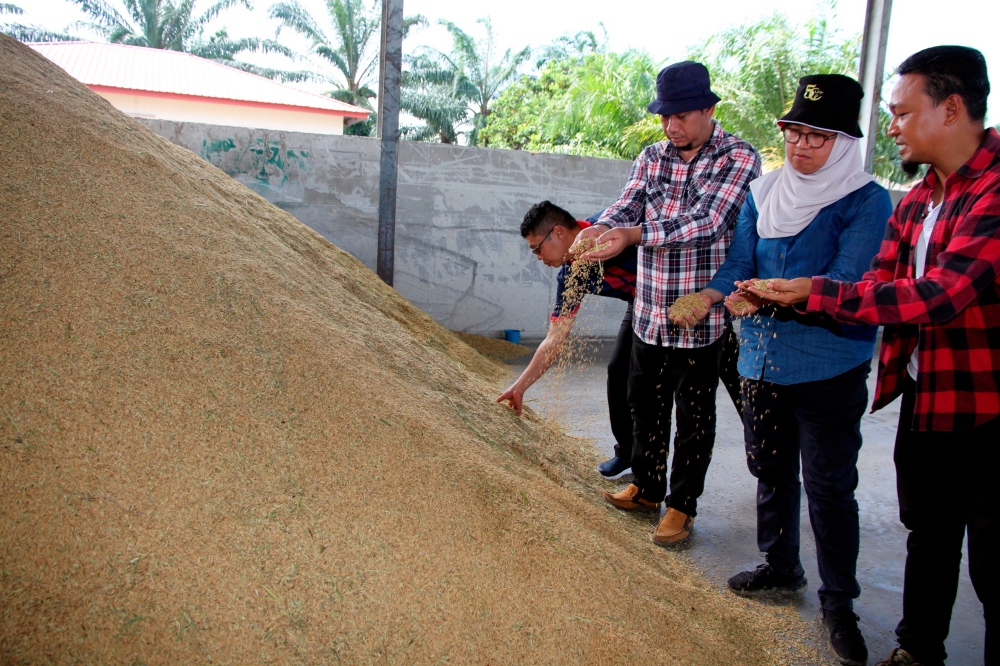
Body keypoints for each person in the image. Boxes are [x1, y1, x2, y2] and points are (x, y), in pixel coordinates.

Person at [742, 47, 996, 666]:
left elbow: (941, 296)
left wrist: (810, 290)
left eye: (902, 113)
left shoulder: (991, 192)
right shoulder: (917, 200)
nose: (892, 127)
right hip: (927, 395)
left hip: (988, 407)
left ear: (951, 108)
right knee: (928, 535)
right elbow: (876, 284)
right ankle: (917, 649)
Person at [673, 74, 893, 666]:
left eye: (817, 137)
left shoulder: (867, 201)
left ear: (844, 143)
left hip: (828, 365)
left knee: (828, 486)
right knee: (770, 469)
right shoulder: (764, 193)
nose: (800, 146)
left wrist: (776, 294)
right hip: (761, 362)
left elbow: (849, 281)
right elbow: (740, 264)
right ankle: (780, 564)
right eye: (794, 132)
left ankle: (839, 601)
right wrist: (712, 296)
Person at [577, 60, 761, 547]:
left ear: (708, 109)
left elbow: (709, 221)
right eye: (664, 117)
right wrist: (603, 227)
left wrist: (633, 235)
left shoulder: (739, 157)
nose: (670, 126)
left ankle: (682, 506)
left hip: (700, 315)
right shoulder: (652, 156)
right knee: (645, 405)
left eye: (680, 116)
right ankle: (647, 488)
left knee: (694, 415)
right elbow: (629, 201)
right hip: (649, 309)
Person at [497, 201, 638, 479]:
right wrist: (519, 387)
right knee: (619, 371)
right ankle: (628, 455)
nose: (537, 257)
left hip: (684, 293)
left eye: (537, 248)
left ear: (558, 233)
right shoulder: (571, 274)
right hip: (640, 304)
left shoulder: (610, 227)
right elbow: (555, 339)